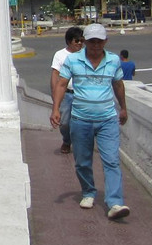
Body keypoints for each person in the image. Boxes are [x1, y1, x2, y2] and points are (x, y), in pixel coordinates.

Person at [50, 23, 130, 220]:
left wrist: (123, 108)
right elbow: (61, 84)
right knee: (82, 161)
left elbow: (118, 85)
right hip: (81, 119)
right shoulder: (73, 60)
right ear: (85, 41)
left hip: (107, 119)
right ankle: (88, 191)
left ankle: (115, 202)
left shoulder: (113, 60)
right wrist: (56, 108)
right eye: (92, 41)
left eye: (99, 41)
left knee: (111, 160)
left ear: (105, 41)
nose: (95, 45)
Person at [50, 26, 85, 154]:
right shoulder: (60, 55)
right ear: (69, 41)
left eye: (82, 40)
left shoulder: (86, 54)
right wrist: (55, 97)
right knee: (65, 122)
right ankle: (66, 141)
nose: (80, 43)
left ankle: (81, 145)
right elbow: (55, 75)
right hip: (66, 94)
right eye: (77, 41)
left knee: (82, 123)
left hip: (82, 94)